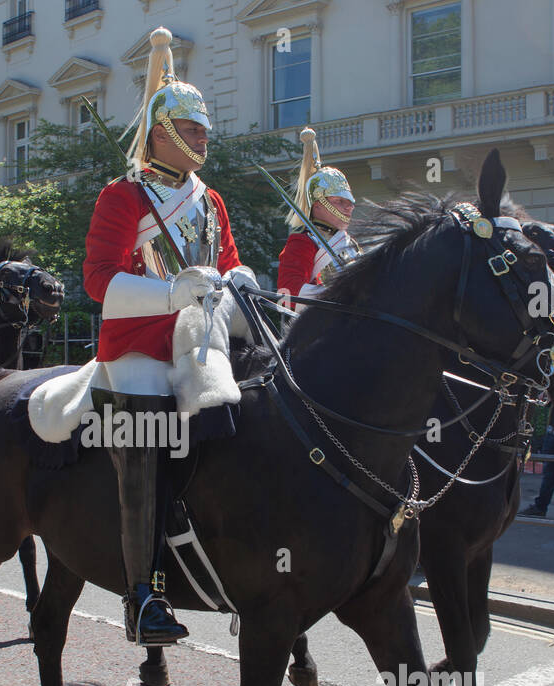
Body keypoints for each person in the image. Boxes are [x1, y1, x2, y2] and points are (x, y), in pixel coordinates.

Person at [82, 27, 253, 645]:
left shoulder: (212, 200)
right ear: (162, 134)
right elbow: (99, 281)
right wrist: (170, 292)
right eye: (195, 129)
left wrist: (242, 280)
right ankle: (143, 597)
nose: (206, 138)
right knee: (147, 450)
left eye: (206, 129)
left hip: (202, 337)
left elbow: (228, 261)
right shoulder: (121, 197)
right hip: (138, 346)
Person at [275, 127, 357, 313]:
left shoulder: (350, 243)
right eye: (339, 201)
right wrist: (340, 294)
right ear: (318, 205)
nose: (349, 207)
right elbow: (288, 294)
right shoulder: (303, 241)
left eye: (350, 202)